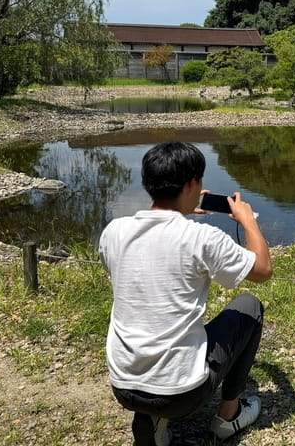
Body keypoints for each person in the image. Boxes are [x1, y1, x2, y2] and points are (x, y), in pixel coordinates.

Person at [99, 141, 273, 445]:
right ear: (193, 184)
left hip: (123, 386)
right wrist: (247, 221)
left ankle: (154, 422)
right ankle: (228, 417)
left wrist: (177, 213)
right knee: (249, 307)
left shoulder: (114, 231)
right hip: (180, 394)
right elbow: (262, 270)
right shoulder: (202, 238)